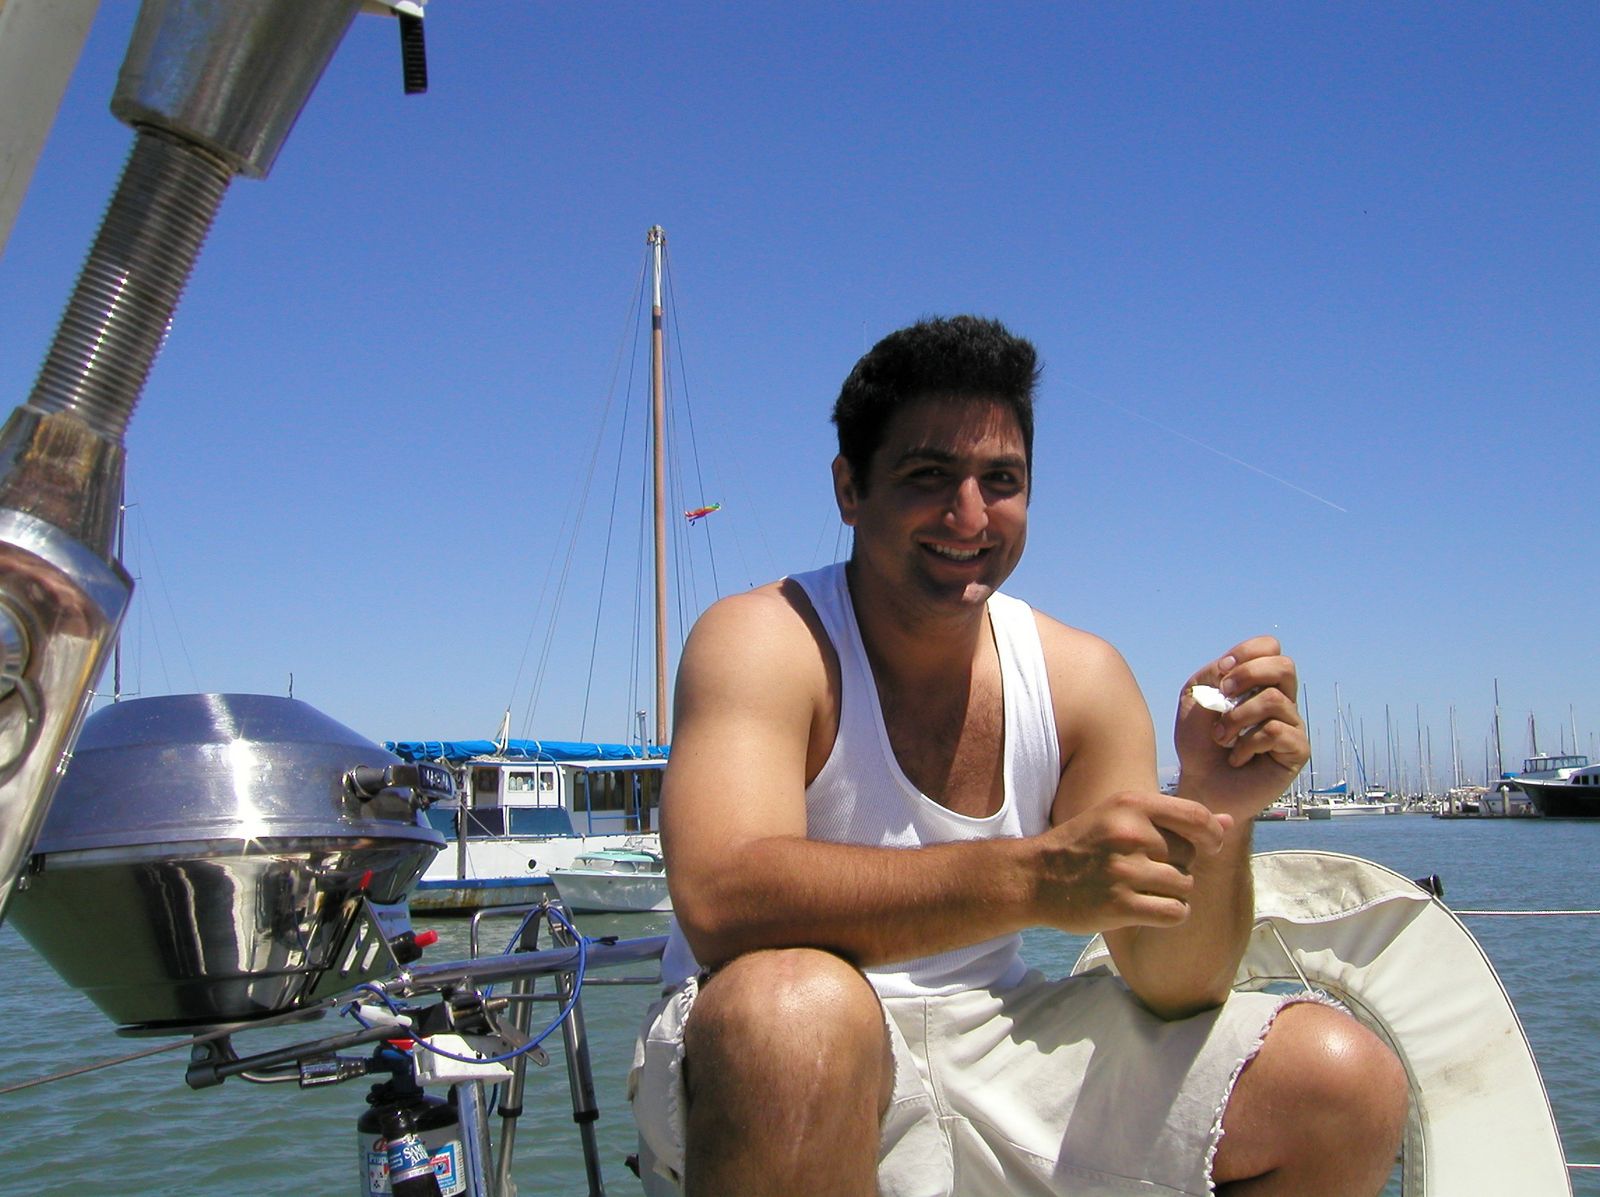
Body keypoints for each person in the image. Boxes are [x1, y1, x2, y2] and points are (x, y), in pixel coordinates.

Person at [630, 315, 1408, 1196]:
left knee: (1342, 1079)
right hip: (766, 1048)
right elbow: (723, 899)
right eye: (928, 475)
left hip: (998, 1037)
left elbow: (1175, 984)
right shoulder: (763, 638)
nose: (969, 515)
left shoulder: (1083, 679)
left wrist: (1214, 809)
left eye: (1000, 480)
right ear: (849, 488)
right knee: (798, 1014)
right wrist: (1033, 880)